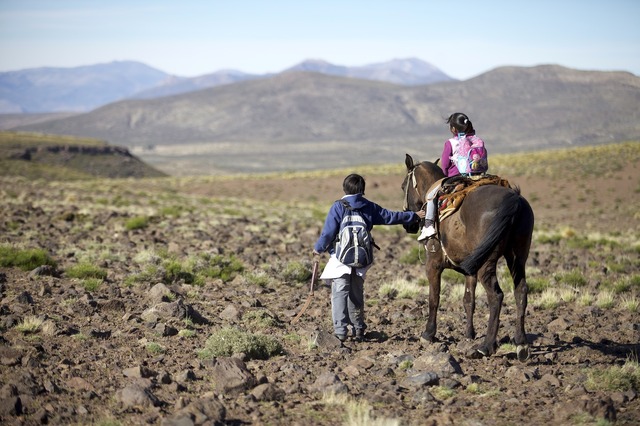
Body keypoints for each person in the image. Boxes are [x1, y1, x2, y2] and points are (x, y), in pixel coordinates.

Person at [313, 173, 425, 342]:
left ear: (345, 188)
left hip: (340, 259)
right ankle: (358, 329)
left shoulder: (338, 207)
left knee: (340, 293)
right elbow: (390, 217)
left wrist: (318, 249)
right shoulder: (369, 206)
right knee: (357, 294)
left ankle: (341, 331)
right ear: (362, 190)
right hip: (361, 259)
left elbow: (328, 233)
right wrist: (414, 215)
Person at [417, 112, 482, 242]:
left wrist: (445, 176)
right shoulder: (477, 140)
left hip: (456, 178)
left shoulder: (451, 143)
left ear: (453, 129)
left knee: (431, 195)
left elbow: (445, 164)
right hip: (478, 176)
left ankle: (429, 225)